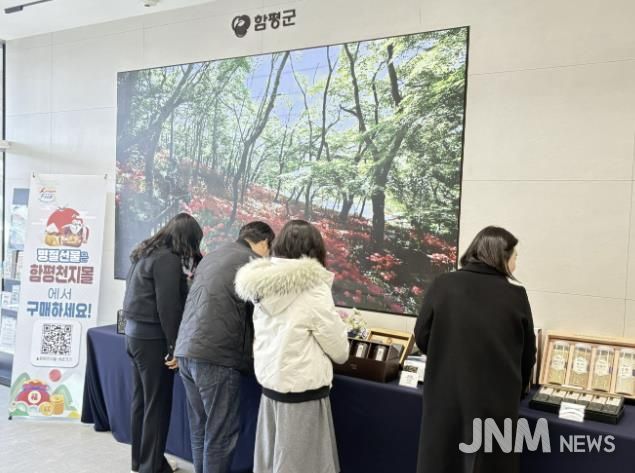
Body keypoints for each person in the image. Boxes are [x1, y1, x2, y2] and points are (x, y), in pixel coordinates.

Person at [414, 226, 536, 473]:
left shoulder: (443, 284)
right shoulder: (515, 295)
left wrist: (445, 356)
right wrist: (519, 388)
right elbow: (527, 354)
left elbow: (422, 336)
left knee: (443, 458)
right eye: (515, 257)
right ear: (501, 257)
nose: (516, 264)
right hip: (497, 401)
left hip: (446, 395)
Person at [235, 220, 349, 473]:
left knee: (271, 463)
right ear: (315, 250)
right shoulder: (313, 289)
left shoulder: (261, 286)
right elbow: (340, 351)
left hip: (270, 389)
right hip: (302, 394)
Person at [174, 221, 275, 473]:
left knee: (201, 429)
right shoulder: (253, 263)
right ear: (264, 243)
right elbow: (266, 312)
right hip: (217, 355)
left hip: (186, 349)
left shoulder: (213, 256)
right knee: (220, 433)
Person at [123, 213, 203, 473]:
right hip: (153, 339)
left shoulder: (144, 252)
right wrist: (174, 347)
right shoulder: (167, 259)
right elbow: (168, 307)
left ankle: (141, 461)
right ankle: (153, 467)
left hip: (134, 335)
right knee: (157, 405)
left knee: (141, 402)